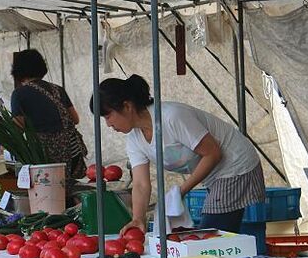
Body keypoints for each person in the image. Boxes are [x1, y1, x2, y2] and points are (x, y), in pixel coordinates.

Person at [92, 75, 264, 235]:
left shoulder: (171, 117)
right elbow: (140, 184)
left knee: (211, 237)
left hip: (235, 163)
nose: (108, 124)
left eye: (108, 116)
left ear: (127, 106)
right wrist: (138, 218)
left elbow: (213, 153)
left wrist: (180, 191)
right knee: (218, 235)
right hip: (215, 174)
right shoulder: (134, 139)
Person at [10, 49, 88, 194]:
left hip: (46, 158)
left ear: (17, 70)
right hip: (72, 153)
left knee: (51, 198)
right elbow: (75, 119)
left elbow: (17, 128)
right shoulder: (57, 89)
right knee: (72, 195)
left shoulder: (19, 94)